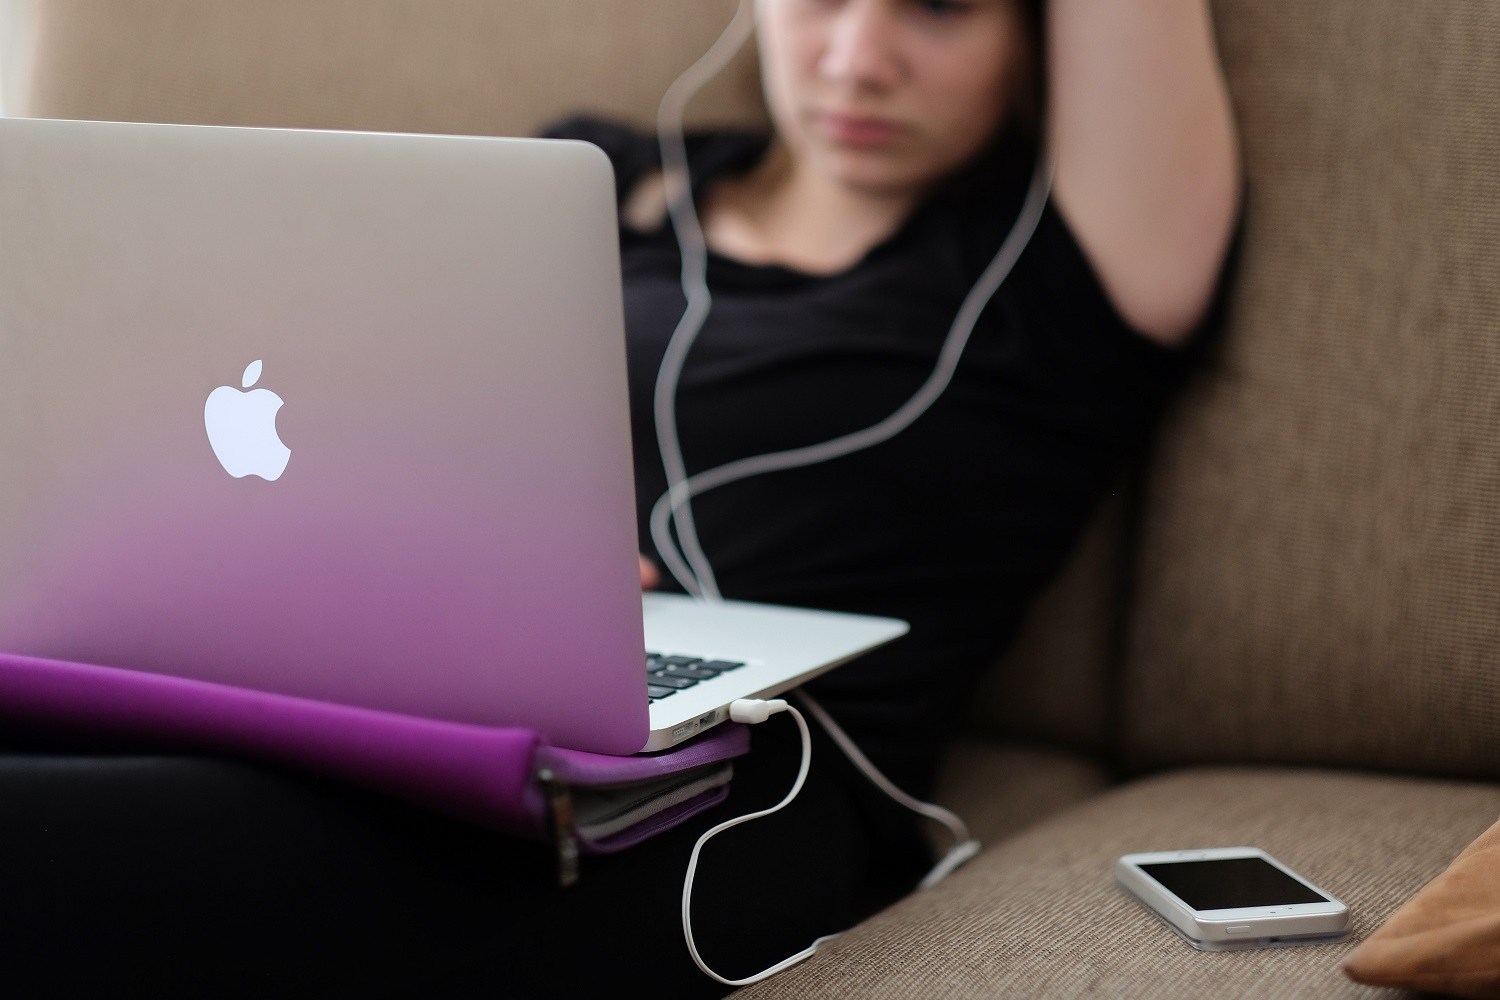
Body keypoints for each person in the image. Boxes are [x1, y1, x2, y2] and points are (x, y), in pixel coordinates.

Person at [0, 1, 1240, 997]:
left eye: (938, 8)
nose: (860, 57)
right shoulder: (588, 183)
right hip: (424, 672)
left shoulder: (1061, 267)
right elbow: (357, 432)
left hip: (749, 773)